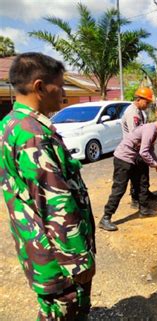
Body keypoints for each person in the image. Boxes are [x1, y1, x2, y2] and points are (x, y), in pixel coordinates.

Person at [0, 53, 96, 320]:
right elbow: (54, 203)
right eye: (60, 85)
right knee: (66, 311)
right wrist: (77, 261)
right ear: (40, 87)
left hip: (37, 246)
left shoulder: (9, 125)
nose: (63, 93)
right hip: (58, 259)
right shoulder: (33, 135)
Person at [99, 110, 157, 232]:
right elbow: (143, 152)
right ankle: (106, 218)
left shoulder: (154, 131)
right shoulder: (150, 130)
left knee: (141, 183)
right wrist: (156, 166)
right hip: (123, 159)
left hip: (133, 159)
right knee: (119, 189)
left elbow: (149, 151)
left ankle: (144, 209)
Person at [122, 87, 157, 209]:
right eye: (146, 102)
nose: (147, 105)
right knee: (136, 175)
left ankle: (145, 193)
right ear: (139, 99)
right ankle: (135, 198)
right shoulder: (132, 113)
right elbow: (135, 133)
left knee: (144, 172)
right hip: (133, 149)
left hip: (139, 147)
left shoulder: (139, 111)